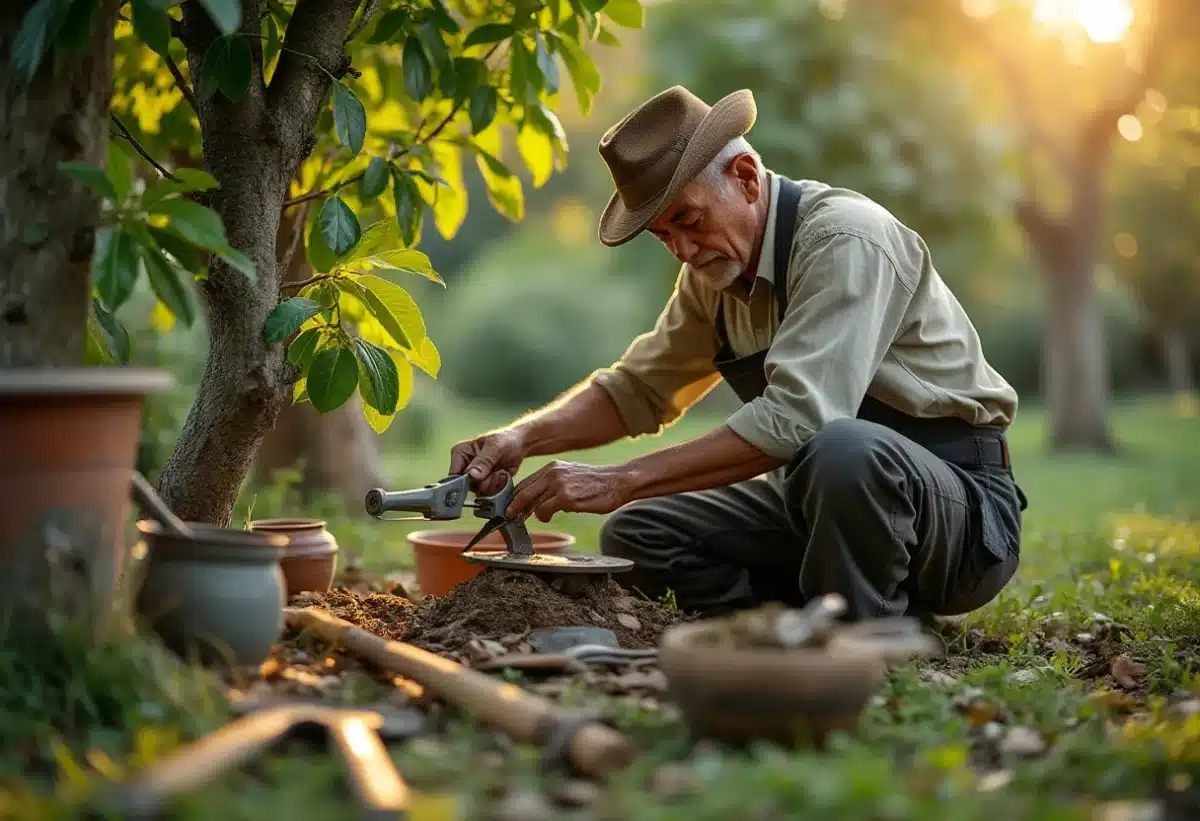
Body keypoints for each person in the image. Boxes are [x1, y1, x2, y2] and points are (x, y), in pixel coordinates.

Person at [448, 85, 1027, 621]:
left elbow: (800, 420)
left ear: (747, 177)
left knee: (844, 450)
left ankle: (866, 636)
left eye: (689, 221)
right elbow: (639, 390)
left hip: (959, 518)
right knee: (638, 534)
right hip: (817, 505)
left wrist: (621, 478)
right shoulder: (712, 277)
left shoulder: (844, 240)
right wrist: (520, 439)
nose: (682, 249)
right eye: (664, 236)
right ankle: (773, 634)